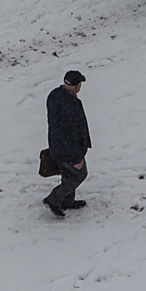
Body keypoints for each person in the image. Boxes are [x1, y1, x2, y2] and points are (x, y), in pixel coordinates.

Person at [43, 70, 92, 217]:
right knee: (79, 174)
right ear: (77, 86)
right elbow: (68, 134)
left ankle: (67, 201)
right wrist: (76, 157)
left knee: (67, 174)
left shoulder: (55, 95)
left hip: (57, 146)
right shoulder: (68, 105)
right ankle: (53, 199)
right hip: (68, 150)